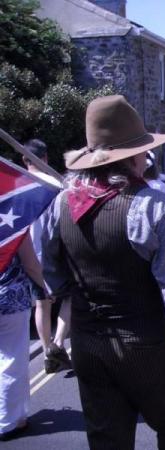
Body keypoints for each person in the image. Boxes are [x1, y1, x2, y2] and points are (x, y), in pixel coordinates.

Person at [41, 95, 165, 450]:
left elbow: (50, 271)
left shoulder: (62, 203)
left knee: (107, 440)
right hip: (148, 347)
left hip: (89, 346)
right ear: (135, 156)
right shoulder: (154, 206)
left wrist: (77, 296)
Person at [22, 139, 72, 374]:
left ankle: (46, 349)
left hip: (29, 254)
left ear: (24, 160)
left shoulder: (19, 185)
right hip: (57, 252)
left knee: (41, 305)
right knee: (69, 299)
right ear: (46, 158)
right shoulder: (56, 184)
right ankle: (59, 342)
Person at [0, 235, 46, 440]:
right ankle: (8, 422)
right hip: (10, 302)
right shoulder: (16, 221)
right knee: (12, 361)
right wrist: (46, 289)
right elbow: (31, 264)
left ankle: (15, 414)